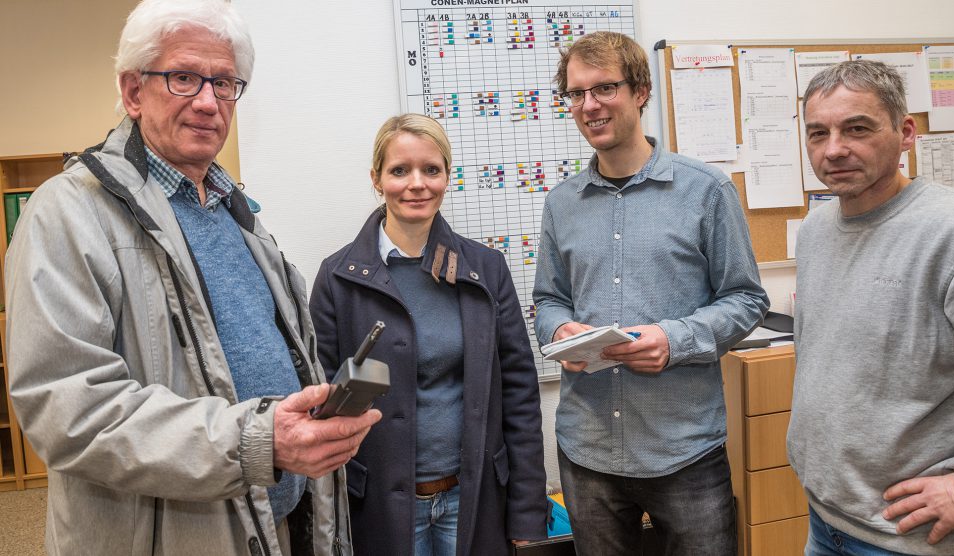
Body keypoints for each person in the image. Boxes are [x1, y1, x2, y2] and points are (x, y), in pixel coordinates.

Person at [4, 1, 380, 554]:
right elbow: (67, 409)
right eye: (184, 78)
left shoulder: (237, 214)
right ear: (134, 92)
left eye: (224, 83)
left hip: (274, 525)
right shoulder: (66, 212)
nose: (208, 101)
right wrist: (255, 440)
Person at [533, 31, 769, 555]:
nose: (589, 105)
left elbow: (746, 299)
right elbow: (548, 300)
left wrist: (674, 339)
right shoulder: (561, 203)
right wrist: (560, 331)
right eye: (576, 93)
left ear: (641, 91)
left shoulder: (706, 191)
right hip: (587, 452)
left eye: (605, 88)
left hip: (683, 451)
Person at [308, 113, 548, 556]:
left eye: (430, 170)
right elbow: (319, 402)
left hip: (472, 499)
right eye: (399, 170)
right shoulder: (338, 278)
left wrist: (528, 510)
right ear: (377, 179)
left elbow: (519, 393)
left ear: (446, 177)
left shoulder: (486, 269)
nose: (416, 183)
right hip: (378, 504)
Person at [787, 59, 954, 555]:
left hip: (915, 538)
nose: (834, 149)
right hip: (828, 520)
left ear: (905, 133)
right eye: (818, 133)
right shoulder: (817, 228)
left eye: (857, 128)